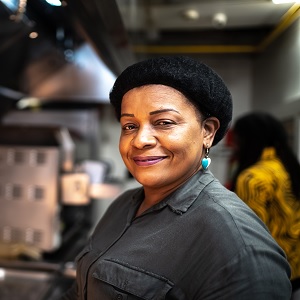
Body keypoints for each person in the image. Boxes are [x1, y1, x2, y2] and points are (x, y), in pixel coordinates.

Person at [62, 56, 291, 299]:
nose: (140, 140)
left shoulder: (238, 245)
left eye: (164, 122)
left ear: (208, 132)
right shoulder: (122, 206)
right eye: (129, 126)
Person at [230, 111, 300, 295]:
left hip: (269, 270)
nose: (233, 145)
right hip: (295, 265)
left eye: (237, 138)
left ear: (247, 140)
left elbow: (248, 236)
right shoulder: (289, 167)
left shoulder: (252, 178)